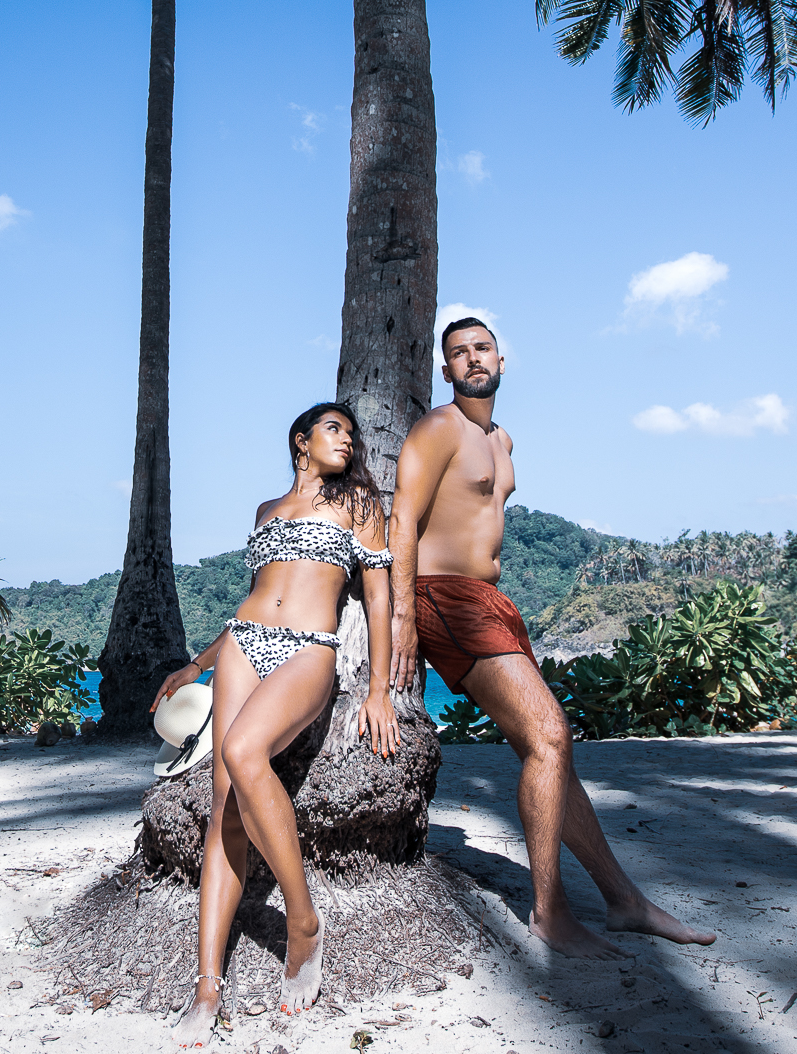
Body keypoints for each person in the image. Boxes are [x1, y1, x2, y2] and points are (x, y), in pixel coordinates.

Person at [392, 316, 716, 959]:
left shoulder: (503, 440)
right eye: (458, 353)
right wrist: (403, 616)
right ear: (446, 369)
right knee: (549, 736)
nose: (471, 360)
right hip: (444, 597)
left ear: (502, 362)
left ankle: (623, 900)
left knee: (551, 753)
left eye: (481, 349)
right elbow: (403, 515)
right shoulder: (438, 428)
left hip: (493, 602)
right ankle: (550, 913)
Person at [150, 402, 400, 1044]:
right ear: (302, 440)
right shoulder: (265, 512)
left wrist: (378, 689)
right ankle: (208, 985)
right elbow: (256, 595)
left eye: (352, 433)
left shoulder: (362, 507)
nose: (347, 440)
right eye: (334, 429)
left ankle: (303, 920)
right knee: (224, 803)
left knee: (243, 749)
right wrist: (196, 666)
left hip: (309, 649)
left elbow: (378, 597)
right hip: (243, 641)